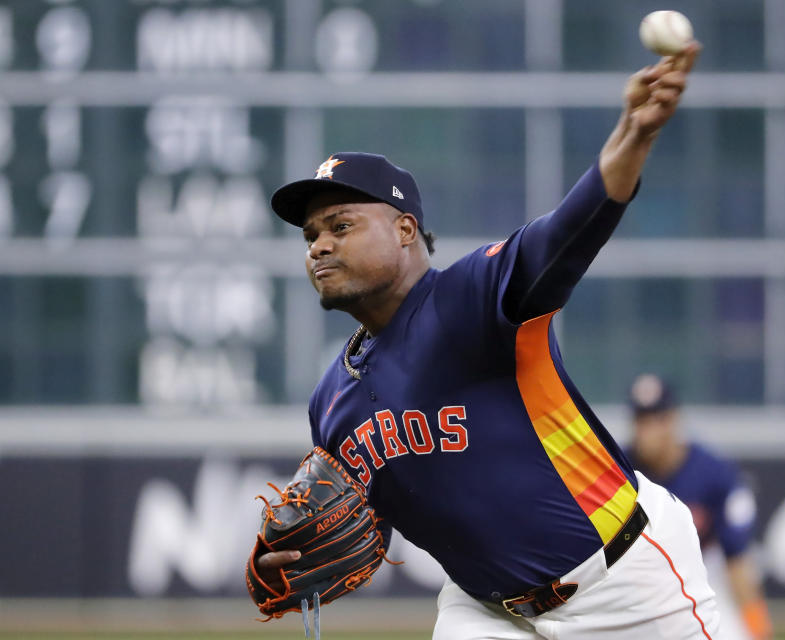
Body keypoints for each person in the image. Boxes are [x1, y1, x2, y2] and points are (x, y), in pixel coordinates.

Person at [256, 44, 719, 639]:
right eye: (312, 235)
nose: (318, 245)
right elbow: (361, 526)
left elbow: (570, 231)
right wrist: (290, 558)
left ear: (405, 231)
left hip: (626, 580)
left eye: (340, 226)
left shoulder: (472, 298)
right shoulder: (330, 401)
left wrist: (633, 135)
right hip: (485, 611)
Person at [626, 374, 772, 640]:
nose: (646, 431)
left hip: (703, 576)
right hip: (638, 578)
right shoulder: (620, 471)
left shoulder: (713, 474)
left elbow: (736, 560)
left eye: (655, 420)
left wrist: (757, 625)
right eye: (641, 421)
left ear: (672, 420)